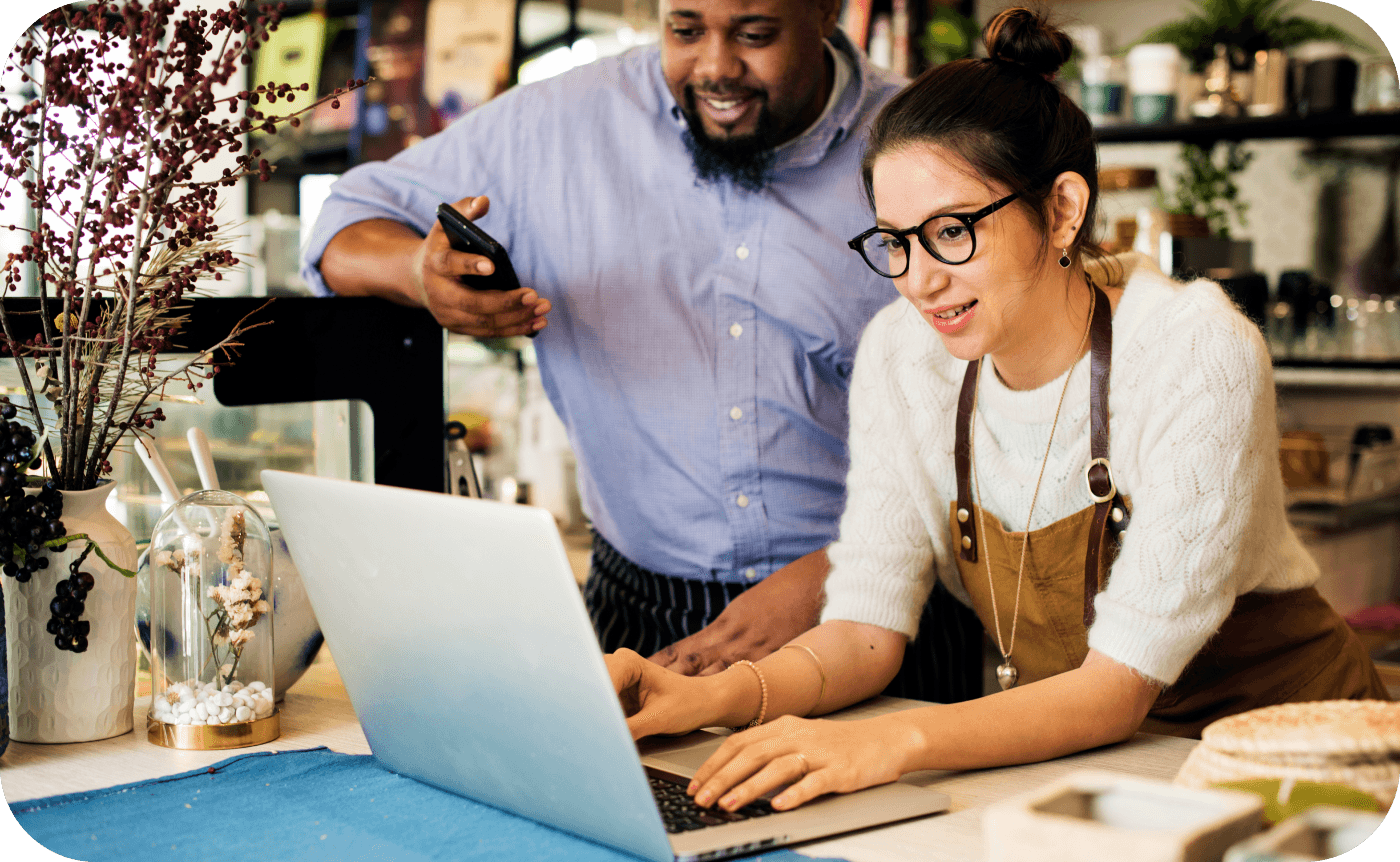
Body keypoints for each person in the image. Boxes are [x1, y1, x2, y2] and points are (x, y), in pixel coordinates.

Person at [604, 7, 1390, 816]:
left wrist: (889, 742)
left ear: (1062, 210)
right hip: (1101, 773)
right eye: (895, 241)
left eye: (951, 232)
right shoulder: (902, 355)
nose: (918, 280)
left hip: (1299, 765)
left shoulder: (1196, 352)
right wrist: (712, 697)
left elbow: (1113, 689)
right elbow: (867, 631)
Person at [301, 0, 984, 698]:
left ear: (827, 12)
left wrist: (844, 572)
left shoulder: (931, 148)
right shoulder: (555, 127)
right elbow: (341, 226)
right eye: (685, 30)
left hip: (895, 606)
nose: (716, 68)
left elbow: (1019, 407)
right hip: (648, 621)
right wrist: (421, 273)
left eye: (755, 35)